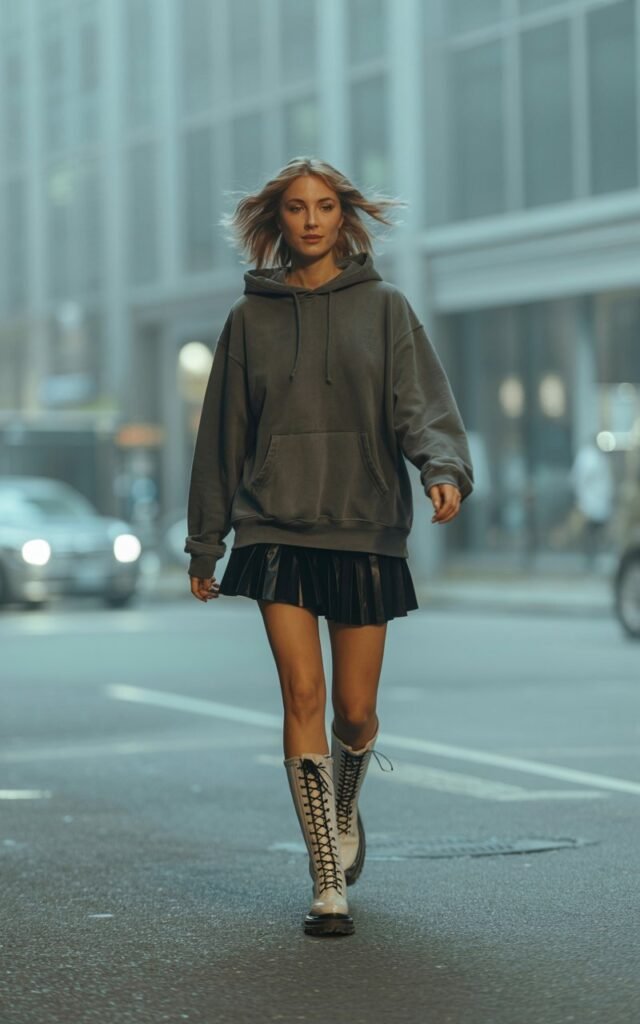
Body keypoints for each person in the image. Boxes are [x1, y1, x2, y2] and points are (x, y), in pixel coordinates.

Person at [184, 156, 474, 938]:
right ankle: (325, 877)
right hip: (274, 525)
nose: (310, 220)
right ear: (275, 222)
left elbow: (421, 407)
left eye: (323, 207)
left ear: (343, 218)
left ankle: (344, 803)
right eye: (295, 208)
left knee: (356, 709)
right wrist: (205, 543)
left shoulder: (385, 308)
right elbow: (223, 436)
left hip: (363, 525)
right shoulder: (249, 321)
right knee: (302, 698)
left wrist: (442, 468)